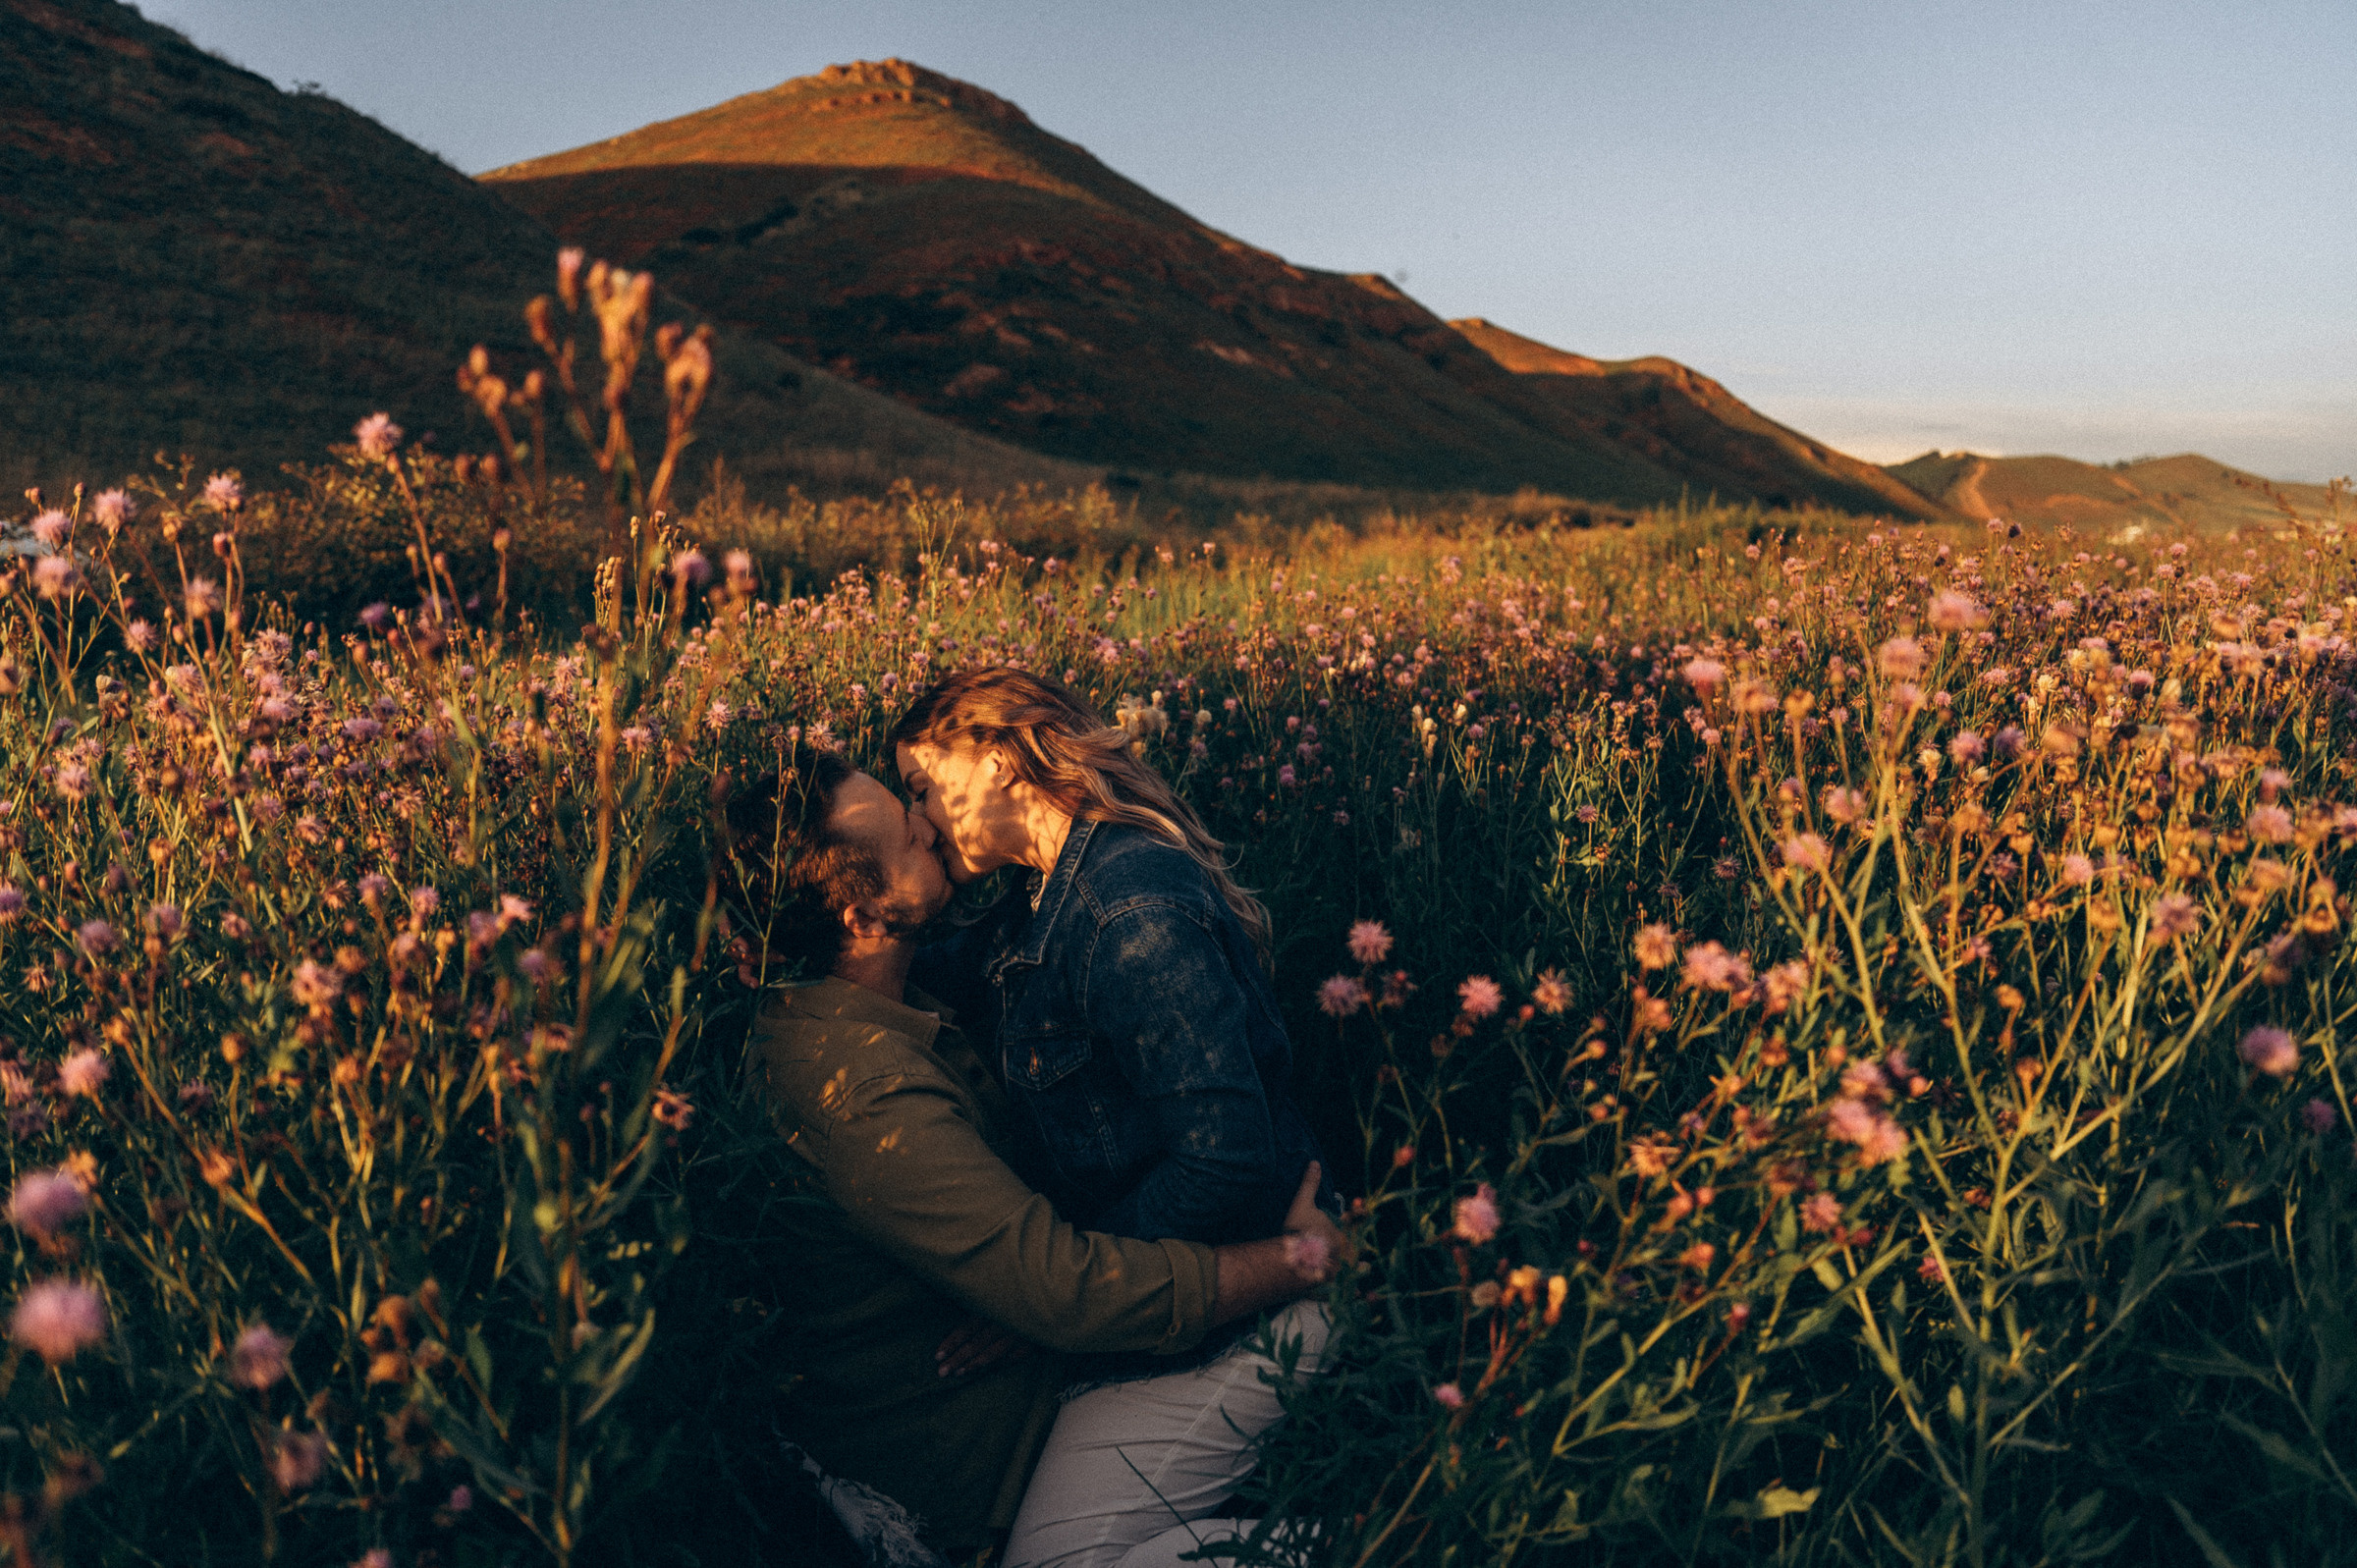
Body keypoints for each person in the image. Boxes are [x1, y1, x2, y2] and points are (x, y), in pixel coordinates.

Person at [731, 746, 1341, 1562]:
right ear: (862, 914)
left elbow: (1052, 1285)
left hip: (1056, 1389)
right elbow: (1064, 1291)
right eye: (906, 834)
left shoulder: (887, 996)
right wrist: (1300, 1261)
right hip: (976, 1458)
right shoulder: (862, 1095)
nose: (927, 821)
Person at [889, 669, 1335, 1568]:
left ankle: (1412, 1540)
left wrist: (1056, 1296)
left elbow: (1225, 1160)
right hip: (1168, 1304)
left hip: (1250, 1305)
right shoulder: (1038, 896)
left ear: (1004, 761)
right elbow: (933, 965)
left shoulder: (1126, 905)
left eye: (922, 787)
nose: (921, 818)